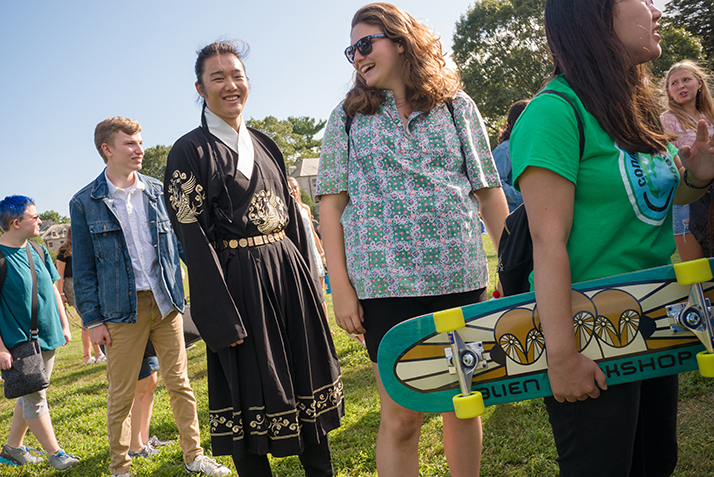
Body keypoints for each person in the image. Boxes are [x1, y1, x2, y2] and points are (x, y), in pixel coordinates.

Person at [509, 1, 714, 475]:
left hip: (654, 318)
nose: (657, 9)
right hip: (589, 332)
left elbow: (650, 204)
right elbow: (547, 241)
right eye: (640, 0)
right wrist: (561, 358)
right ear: (596, 17)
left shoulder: (634, 107)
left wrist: (698, 176)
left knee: (655, 461)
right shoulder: (553, 112)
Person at [317, 4, 509, 476]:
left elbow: (488, 192)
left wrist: (517, 267)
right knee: (402, 416)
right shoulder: (346, 118)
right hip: (383, 293)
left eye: (366, 43)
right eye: (351, 50)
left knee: (463, 402)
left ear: (401, 41)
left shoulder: (456, 105)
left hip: (459, 281)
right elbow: (330, 209)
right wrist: (340, 287)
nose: (357, 56)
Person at [163, 40, 344, 477]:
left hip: (288, 275)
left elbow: (295, 221)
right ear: (200, 87)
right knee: (249, 391)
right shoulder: (188, 152)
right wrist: (219, 313)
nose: (231, 85)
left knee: (304, 379)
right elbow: (192, 237)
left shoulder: (265, 143)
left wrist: (312, 285)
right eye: (218, 77)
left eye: (237, 75)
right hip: (236, 285)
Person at [70, 117, 231, 477]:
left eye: (140, 142)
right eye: (130, 143)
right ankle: (120, 468)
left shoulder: (158, 190)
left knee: (181, 385)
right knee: (122, 395)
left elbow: (184, 243)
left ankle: (194, 457)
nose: (139, 149)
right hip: (120, 311)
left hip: (167, 303)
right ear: (107, 150)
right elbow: (83, 270)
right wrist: (93, 321)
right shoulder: (84, 202)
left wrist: (215, 280)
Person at [0, 196, 79, 471]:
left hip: (48, 336)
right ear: (16, 223)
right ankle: (57, 454)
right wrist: (0, 347)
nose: (40, 221)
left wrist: (64, 324)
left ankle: (12, 449)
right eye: (35, 217)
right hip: (19, 342)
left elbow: (54, 290)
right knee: (36, 396)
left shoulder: (38, 249)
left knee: (30, 391)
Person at [661, 60, 714, 258]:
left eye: (686, 80)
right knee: (696, 268)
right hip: (688, 196)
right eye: (674, 83)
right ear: (668, 91)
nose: (681, 86)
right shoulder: (668, 120)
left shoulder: (710, 115)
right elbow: (667, 159)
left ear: (699, 83)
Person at [55, 228, 106, 365]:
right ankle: (93, 354)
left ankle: (91, 355)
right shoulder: (64, 251)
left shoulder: (85, 247)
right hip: (72, 286)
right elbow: (59, 275)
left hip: (87, 283)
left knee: (88, 320)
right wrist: (60, 294)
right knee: (88, 319)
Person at [492, 100, 529, 212]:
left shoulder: (531, 150)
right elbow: (496, 185)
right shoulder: (504, 151)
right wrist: (524, 197)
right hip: (511, 217)